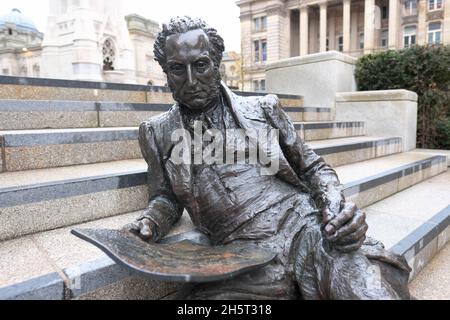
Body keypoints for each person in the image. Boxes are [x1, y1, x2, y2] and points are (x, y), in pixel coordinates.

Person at [125, 16, 411, 300]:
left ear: (216, 63)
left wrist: (337, 209)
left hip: (304, 230)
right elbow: (166, 197)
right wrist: (150, 221)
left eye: (200, 65)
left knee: (363, 292)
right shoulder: (156, 132)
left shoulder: (263, 108)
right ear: (165, 71)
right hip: (243, 256)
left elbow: (314, 168)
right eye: (177, 69)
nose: (191, 80)